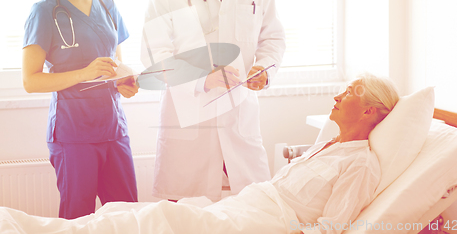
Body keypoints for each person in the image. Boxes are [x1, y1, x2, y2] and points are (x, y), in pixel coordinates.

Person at [0, 73, 399, 234]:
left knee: (156, 218)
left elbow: (332, 227)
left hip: (263, 223)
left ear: (370, 111)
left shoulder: (360, 163)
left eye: (350, 93)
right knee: (122, 213)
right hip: (247, 206)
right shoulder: (326, 145)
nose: (337, 94)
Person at [141, 0, 286, 201]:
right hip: (190, 120)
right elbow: (154, 55)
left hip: (239, 115)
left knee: (252, 209)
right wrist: (202, 79)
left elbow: (272, 37)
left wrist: (264, 69)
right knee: (187, 214)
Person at [21, 0, 139, 219]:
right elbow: (30, 80)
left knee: (127, 215)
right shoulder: (44, 12)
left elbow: (115, 64)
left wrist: (125, 81)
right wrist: (83, 73)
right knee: (78, 218)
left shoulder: (108, 5)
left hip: (113, 128)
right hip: (74, 133)